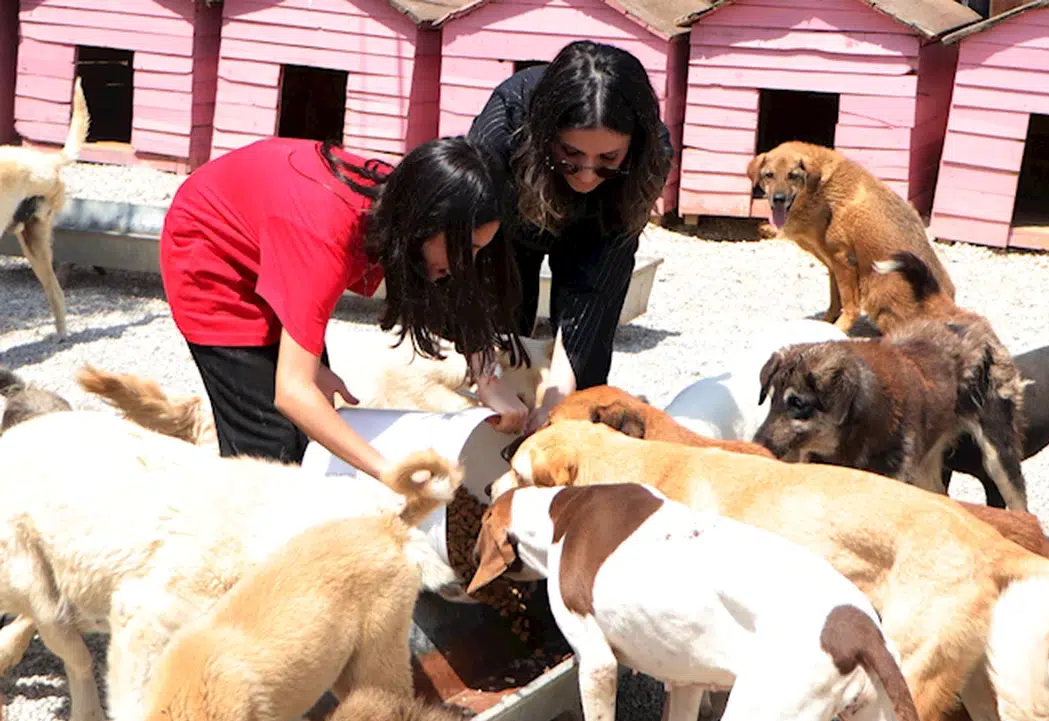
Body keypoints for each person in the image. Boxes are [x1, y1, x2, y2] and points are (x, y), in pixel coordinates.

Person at [159, 135, 531, 480]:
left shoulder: (407, 202)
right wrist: (388, 472)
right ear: (425, 223)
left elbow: (458, 295)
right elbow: (291, 392)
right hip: (212, 252)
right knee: (270, 451)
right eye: (466, 250)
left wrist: (488, 378)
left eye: (479, 250)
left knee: (316, 431)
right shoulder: (327, 240)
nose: (468, 263)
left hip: (275, 233)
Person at [469, 40, 673, 426]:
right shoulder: (507, 121)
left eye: (608, 160)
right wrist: (485, 374)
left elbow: (594, 291)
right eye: (571, 155)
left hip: (596, 228)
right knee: (497, 348)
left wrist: (556, 403)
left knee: (577, 389)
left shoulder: (652, 154)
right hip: (506, 230)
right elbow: (470, 251)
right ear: (546, 133)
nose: (586, 175)